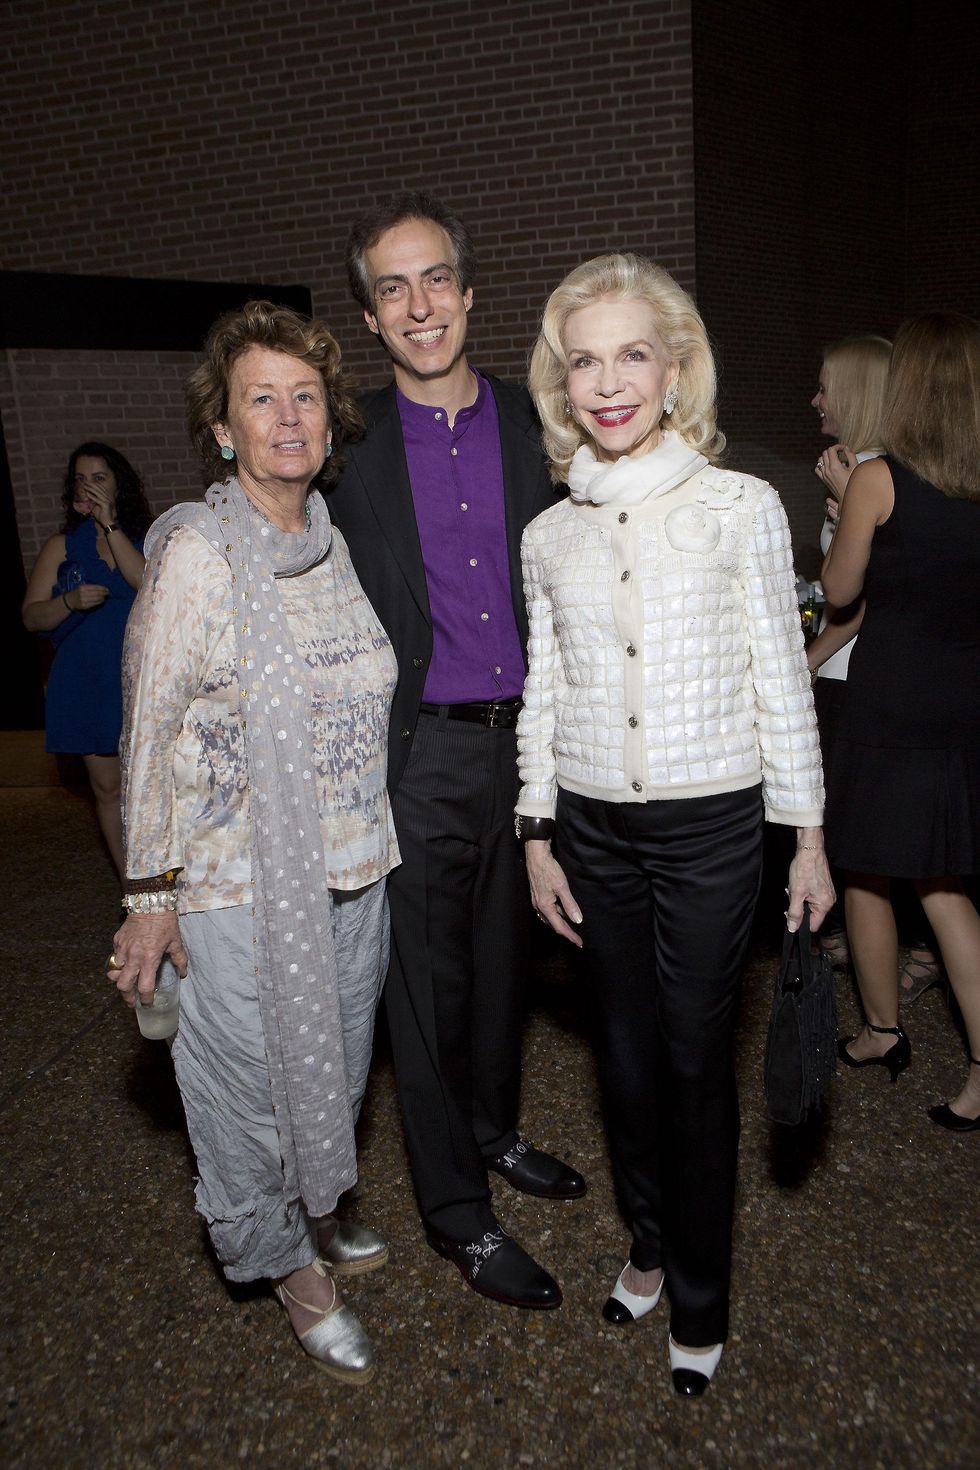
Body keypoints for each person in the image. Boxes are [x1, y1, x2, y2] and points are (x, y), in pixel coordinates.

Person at [518, 253, 832, 1393]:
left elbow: (777, 681)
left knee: (697, 1064)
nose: (608, 383)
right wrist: (536, 829)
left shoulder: (738, 506)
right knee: (627, 1062)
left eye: (631, 355)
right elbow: (543, 690)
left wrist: (803, 836)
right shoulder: (548, 533)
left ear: (674, 366)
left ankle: (699, 1295)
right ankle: (647, 1242)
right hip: (590, 830)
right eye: (584, 359)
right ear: (562, 380)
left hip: (710, 830)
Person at [107, 300, 400, 1381]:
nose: (287, 417)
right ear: (223, 431)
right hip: (233, 889)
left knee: (333, 1070)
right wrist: (150, 895)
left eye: (305, 396)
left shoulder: (329, 544)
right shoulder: (197, 554)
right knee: (245, 1094)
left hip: (356, 871)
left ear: (330, 420)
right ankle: (288, 1270)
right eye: (259, 400)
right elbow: (146, 732)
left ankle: (312, 1214)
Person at [328, 190, 583, 1312]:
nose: (418, 304)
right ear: (371, 321)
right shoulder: (347, 450)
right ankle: (455, 1212)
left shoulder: (547, 423)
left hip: (528, 745)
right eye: (393, 287)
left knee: (502, 964)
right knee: (424, 989)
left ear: (471, 295)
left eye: (435, 278)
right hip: (417, 750)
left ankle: (491, 1130)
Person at [822, 312, 980, 1133]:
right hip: (962, 704)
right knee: (941, 882)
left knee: (876, 872)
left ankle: (888, 1033)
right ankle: (919, 1045)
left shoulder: (881, 478)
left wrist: (842, 495)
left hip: (890, 708)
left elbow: (841, 588)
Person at [809, 337, 944, 999]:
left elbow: (854, 598)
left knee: (876, 838)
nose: (816, 400)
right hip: (882, 677)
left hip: (866, 678)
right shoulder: (877, 468)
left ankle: (904, 966)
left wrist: (803, 661)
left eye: (827, 386)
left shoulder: (869, 473)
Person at [22, 442, 151, 874]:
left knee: (155, 786)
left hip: (143, 678)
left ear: (120, 485)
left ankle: (175, 882)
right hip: (86, 679)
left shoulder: (148, 537)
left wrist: (110, 525)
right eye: (80, 478)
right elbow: (31, 617)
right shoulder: (62, 546)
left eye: (99, 477)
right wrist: (70, 602)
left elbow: (147, 584)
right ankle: (134, 888)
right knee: (108, 788)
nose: (88, 486)